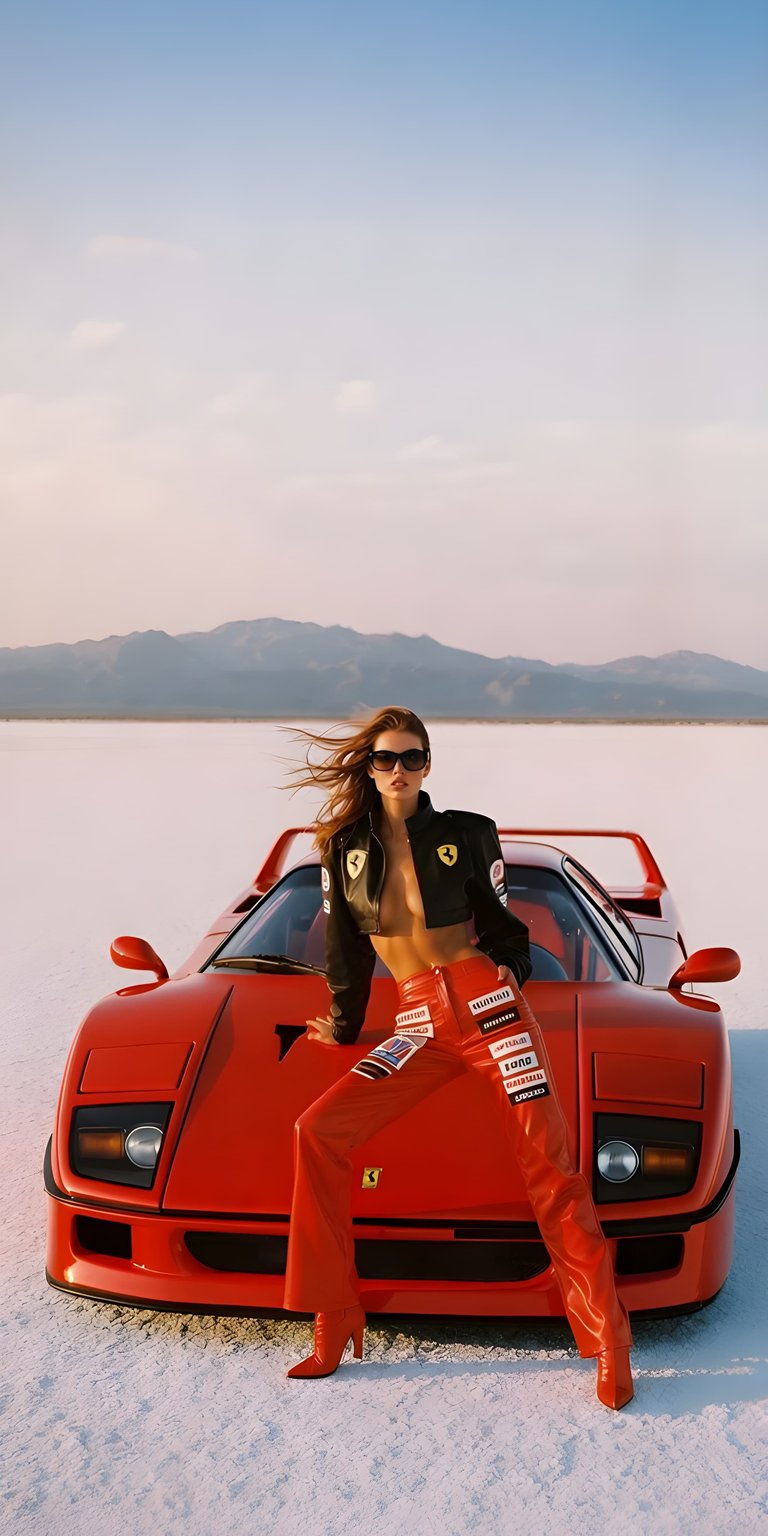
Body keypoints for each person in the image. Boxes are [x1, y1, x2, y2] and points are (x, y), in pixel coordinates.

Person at [277, 705, 634, 1408]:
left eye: (411, 757)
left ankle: (608, 1343)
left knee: (551, 1171)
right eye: (386, 758)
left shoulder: (468, 833)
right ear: (369, 767)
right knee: (316, 1131)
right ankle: (333, 1314)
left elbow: (505, 927)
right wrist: (344, 1026)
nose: (399, 770)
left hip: (489, 1006)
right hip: (415, 1022)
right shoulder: (342, 847)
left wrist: (510, 969)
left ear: (428, 764)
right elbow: (346, 952)